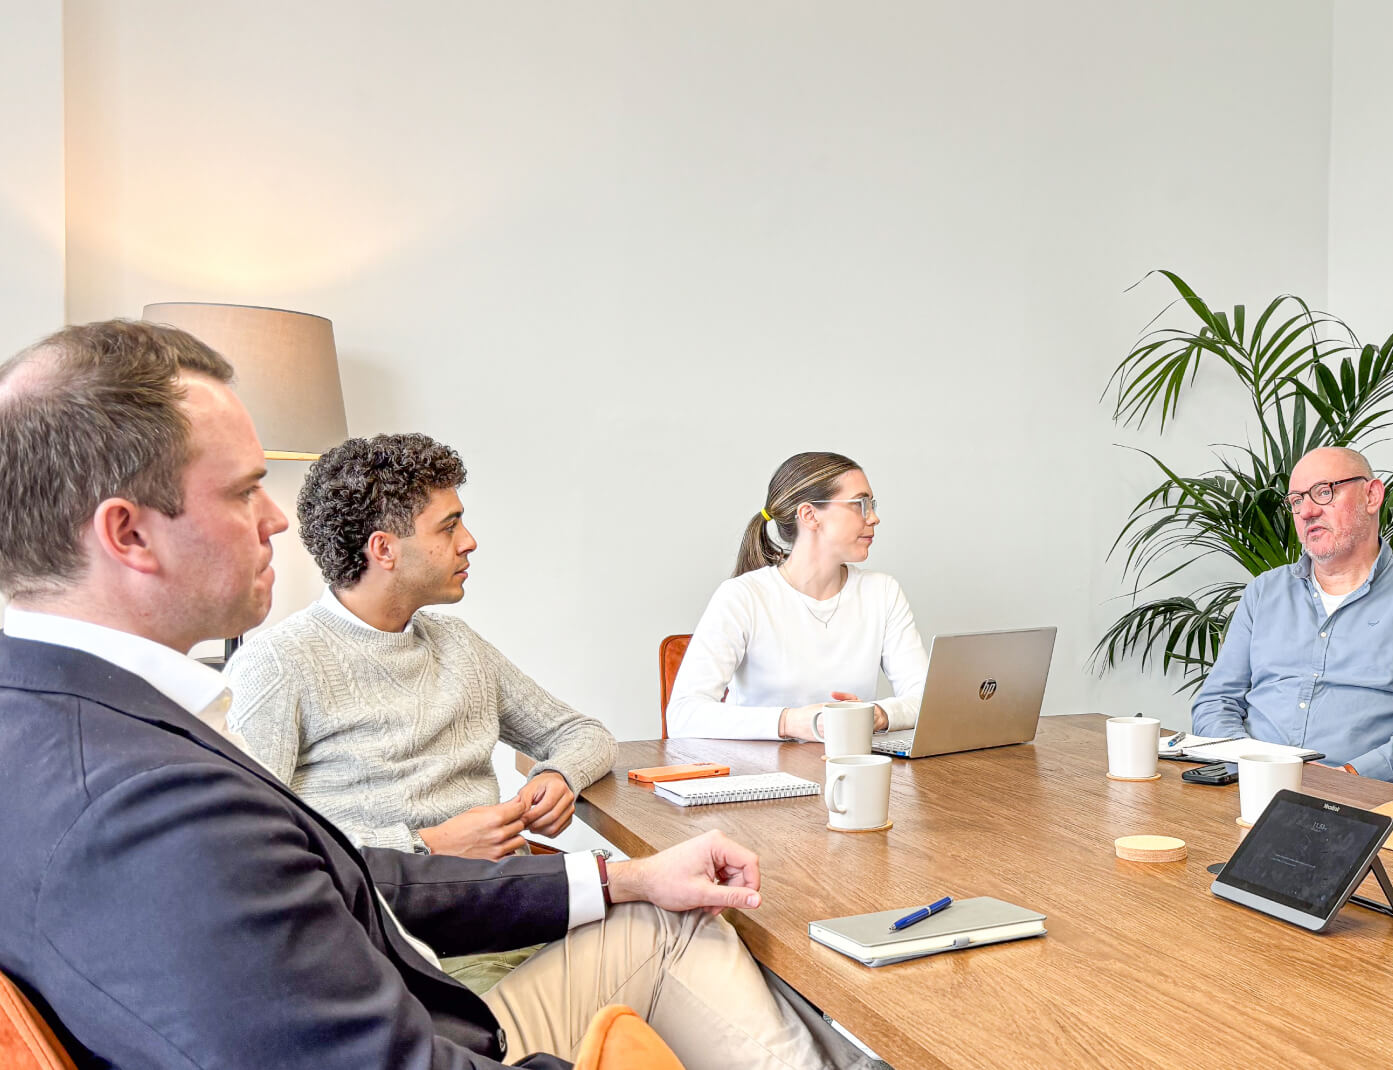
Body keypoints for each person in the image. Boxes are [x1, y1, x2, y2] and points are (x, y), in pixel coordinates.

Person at [0, 321, 862, 1069]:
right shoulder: (145, 801)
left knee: (676, 919)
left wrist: (622, 877)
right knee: (697, 945)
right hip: (448, 1006)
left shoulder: (69, 723)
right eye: (241, 490)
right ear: (128, 533)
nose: (273, 518)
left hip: (447, 951)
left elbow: (349, 880)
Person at [227, 433, 614, 862]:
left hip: (512, 897)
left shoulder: (459, 645)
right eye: (449, 527)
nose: (469, 541)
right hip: (394, 916)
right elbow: (246, 839)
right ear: (383, 549)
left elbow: (583, 733)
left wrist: (561, 775)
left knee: (687, 901)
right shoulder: (277, 663)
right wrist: (426, 845)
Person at [1189, 446, 1393, 787]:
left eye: (1324, 492)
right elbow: (1216, 702)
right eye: (1297, 500)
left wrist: (1349, 780)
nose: (1308, 511)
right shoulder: (1264, 592)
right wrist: (1249, 764)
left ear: (1372, 496)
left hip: (1362, 802)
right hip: (1247, 788)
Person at [667, 451, 927, 742]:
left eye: (872, 505)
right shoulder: (742, 597)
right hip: (759, 779)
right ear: (809, 515)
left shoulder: (883, 592)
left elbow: (926, 699)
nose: (874, 518)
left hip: (850, 771)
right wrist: (790, 722)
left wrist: (878, 714)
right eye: (861, 504)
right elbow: (683, 715)